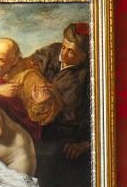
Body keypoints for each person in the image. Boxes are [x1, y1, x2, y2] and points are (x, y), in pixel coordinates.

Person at [31, 23, 93, 159]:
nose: (63, 53)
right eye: (64, 47)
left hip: (63, 138)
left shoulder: (88, 75)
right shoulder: (51, 51)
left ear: (85, 55)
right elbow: (29, 67)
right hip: (34, 124)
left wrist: (86, 144)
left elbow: (97, 113)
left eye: (71, 51)